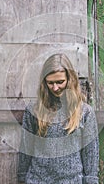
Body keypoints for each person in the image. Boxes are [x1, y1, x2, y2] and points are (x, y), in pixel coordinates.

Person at [17, 53, 99, 184]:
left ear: (70, 79)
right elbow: (26, 148)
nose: (55, 88)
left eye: (60, 82)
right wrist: (21, 177)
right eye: (50, 83)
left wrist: (91, 181)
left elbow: (90, 153)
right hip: (37, 180)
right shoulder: (33, 110)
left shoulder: (85, 112)